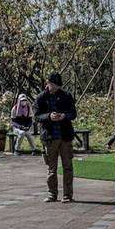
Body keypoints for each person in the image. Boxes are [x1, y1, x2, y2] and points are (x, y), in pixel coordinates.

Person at [35, 72, 78, 202]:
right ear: (47, 83)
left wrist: (64, 116)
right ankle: (52, 194)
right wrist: (49, 116)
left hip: (65, 136)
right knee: (51, 168)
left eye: (56, 85)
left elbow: (73, 114)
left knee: (67, 167)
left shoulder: (66, 96)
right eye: (51, 84)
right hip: (50, 137)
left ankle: (67, 195)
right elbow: (37, 116)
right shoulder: (41, 98)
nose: (53, 87)